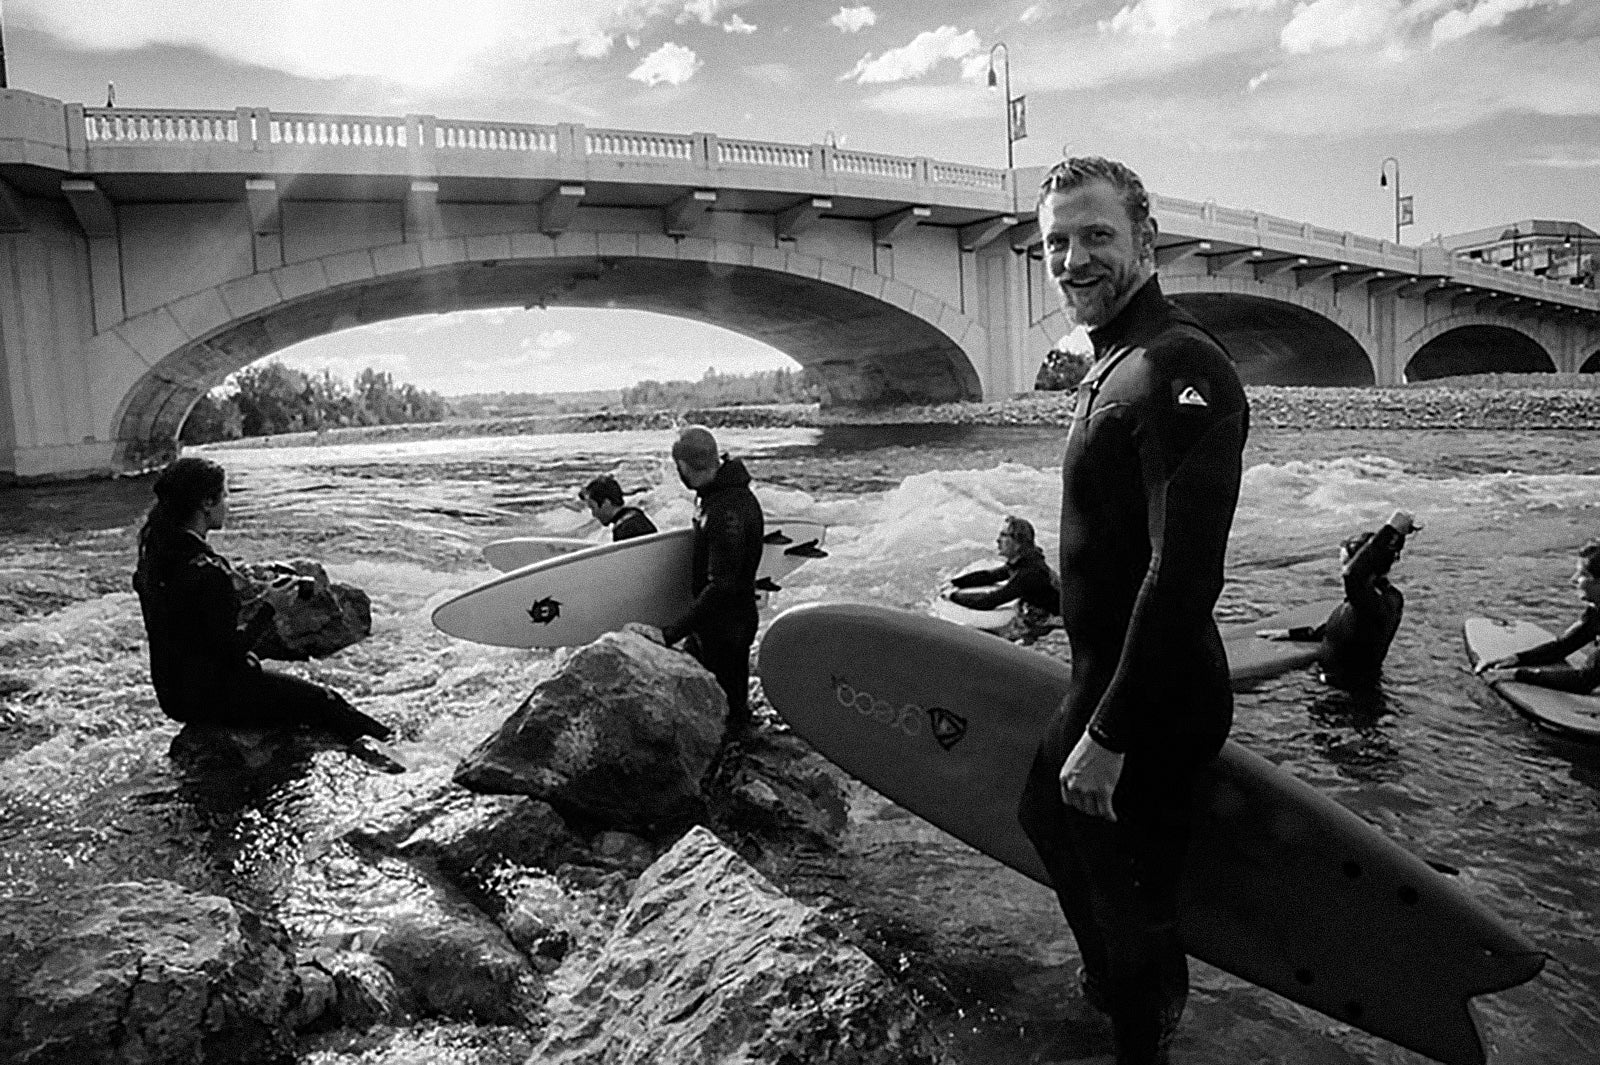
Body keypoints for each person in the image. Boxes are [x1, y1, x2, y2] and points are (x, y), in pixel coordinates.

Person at [1013, 157, 1249, 1065]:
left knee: (1126, 892)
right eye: (1056, 243)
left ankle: (1141, 1034)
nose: (1074, 259)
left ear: (1147, 240)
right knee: (1046, 818)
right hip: (1106, 677)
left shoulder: (1177, 365)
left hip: (1152, 696)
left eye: (1096, 236)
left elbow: (1186, 572)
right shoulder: (1116, 358)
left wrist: (1110, 735)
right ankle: (1128, 989)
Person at [132, 457, 400, 767]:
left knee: (296, 696)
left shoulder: (153, 561)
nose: (227, 504)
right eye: (225, 495)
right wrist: (272, 608)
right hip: (212, 695)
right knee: (324, 702)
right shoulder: (206, 571)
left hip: (174, 695)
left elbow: (189, 634)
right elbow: (228, 654)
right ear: (207, 503)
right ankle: (397, 748)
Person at [657, 426, 765, 737]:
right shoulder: (715, 496)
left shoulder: (727, 508)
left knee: (731, 716)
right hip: (714, 624)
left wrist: (672, 632)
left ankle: (741, 769)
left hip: (729, 627)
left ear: (685, 468)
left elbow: (723, 585)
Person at [1260, 510, 1417, 691]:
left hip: (1348, 699)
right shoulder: (1375, 598)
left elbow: (1352, 575)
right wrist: (1289, 634)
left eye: (1344, 561)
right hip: (1342, 689)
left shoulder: (1377, 602)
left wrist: (1391, 529)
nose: (1341, 567)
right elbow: (1341, 632)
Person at [1477, 539, 1600, 692]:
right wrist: (1517, 659)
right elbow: (1562, 647)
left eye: (1583, 574)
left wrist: (1517, 675)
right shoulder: (1596, 611)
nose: (1573, 580)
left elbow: (1584, 681)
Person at [945, 515, 1061, 638]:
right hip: (1037, 611)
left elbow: (989, 601)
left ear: (1018, 543)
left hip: (1052, 620)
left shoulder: (1029, 573)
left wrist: (953, 596)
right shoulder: (1024, 561)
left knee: (991, 637)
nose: (997, 540)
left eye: (1003, 535)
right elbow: (990, 576)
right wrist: (955, 582)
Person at [579, 474, 657, 541]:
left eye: (593, 507)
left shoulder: (625, 528)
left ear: (606, 503)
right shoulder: (637, 516)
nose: (593, 514)